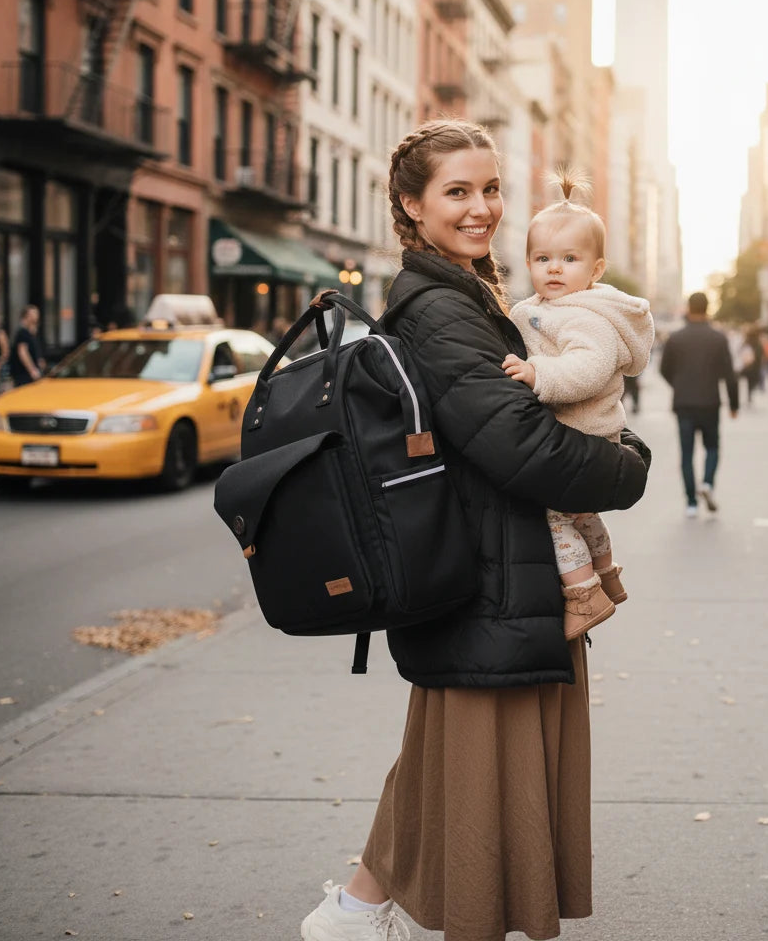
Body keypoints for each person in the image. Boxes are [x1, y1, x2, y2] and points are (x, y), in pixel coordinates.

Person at [298, 119, 651, 941]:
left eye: (491, 189)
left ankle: (354, 909)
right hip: (491, 573)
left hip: (493, 568)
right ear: (413, 206)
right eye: (457, 192)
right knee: (480, 769)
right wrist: (628, 464)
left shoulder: (471, 293)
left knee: (445, 758)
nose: (481, 207)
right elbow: (520, 447)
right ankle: (373, 911)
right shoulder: (440, 309)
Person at [501, 169, 654, 639]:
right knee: (583, 515)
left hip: (582, 432)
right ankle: (607, 572)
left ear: (596, 269)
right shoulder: (549, 308)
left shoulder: (585, 316)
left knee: (553, 516)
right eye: (542, 258)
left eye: (569, 259)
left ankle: (583, 595)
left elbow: (587, 370)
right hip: (587, 433)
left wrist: (537, 374)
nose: (553, 268)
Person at [659, 291, 738, 517]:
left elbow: (664, 369)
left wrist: (679, 385)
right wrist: (734, 404)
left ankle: (691, 502)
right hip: (710, 402)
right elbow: (729, 374)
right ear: (707, 308)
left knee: (686, 453)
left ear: (688, 308)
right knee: (712, 447)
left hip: (684, 403)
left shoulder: (676, 338)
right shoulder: (718, 338)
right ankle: (708, 483)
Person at [11, 305, 45, 387]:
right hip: (23, 375)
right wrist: (32, 370)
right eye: (34, 314)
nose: (37, 316)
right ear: (27, 316)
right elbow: (22, 352)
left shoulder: (32, 333)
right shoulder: (23, 332)